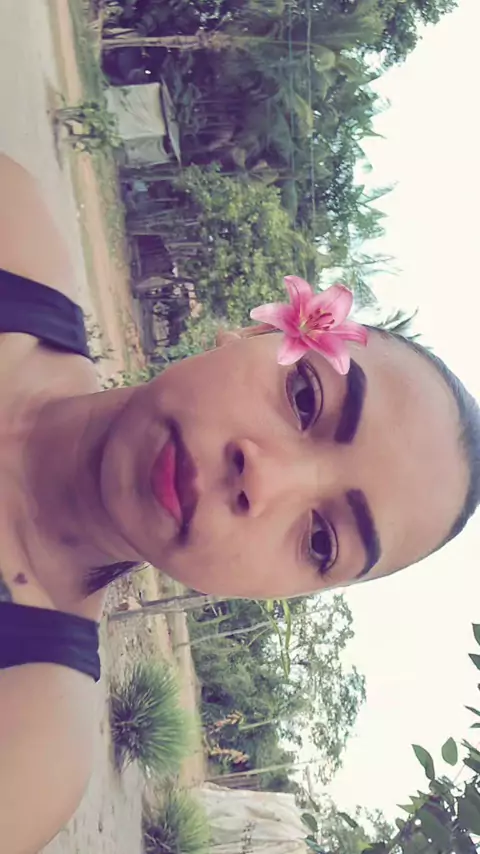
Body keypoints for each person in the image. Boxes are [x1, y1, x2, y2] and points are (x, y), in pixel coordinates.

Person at [0, 152, 478, 853]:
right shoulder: (13, 229)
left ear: (282, 593)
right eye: (305, 396)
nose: (266, 481)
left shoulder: (28, 744)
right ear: (258, 334)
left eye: (321, 541)